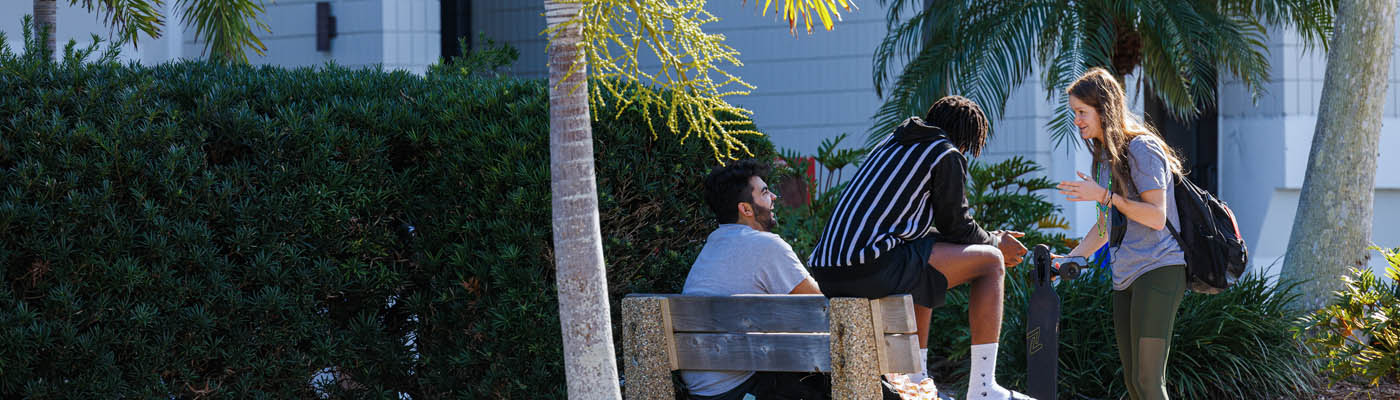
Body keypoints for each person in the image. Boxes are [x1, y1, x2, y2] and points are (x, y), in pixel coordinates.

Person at [807, 95, 1031, 400]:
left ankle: (915, 380)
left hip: (827, 269)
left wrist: (988, 236)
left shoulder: (891, 144)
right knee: (991, 262)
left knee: (927, 260)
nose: (966, 152)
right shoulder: (945, 152)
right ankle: (983, 387)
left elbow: (937, 233)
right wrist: (995, 242)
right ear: (964, 138)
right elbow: (958, 226)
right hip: (868, 265)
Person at [1055, 67, 1188, 400]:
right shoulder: (1104, 160)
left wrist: (1104, 196)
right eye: (1075, 113)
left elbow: (1156, 217)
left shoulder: (1142, 149)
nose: (1078, 121)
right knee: (1132, 383)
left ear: (1104, 109)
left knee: (1148, 381)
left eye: (1082, 112)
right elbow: (1105, 227)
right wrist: (1071, 259)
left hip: (1160, 270)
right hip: (1126, 275)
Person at [681, 159, 827, 400]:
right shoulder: (766, 245)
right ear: (746, 209)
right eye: (765, 192)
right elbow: (824, 306)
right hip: (742, 389)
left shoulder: (712, 246)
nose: (774, 198)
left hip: (704, 392)